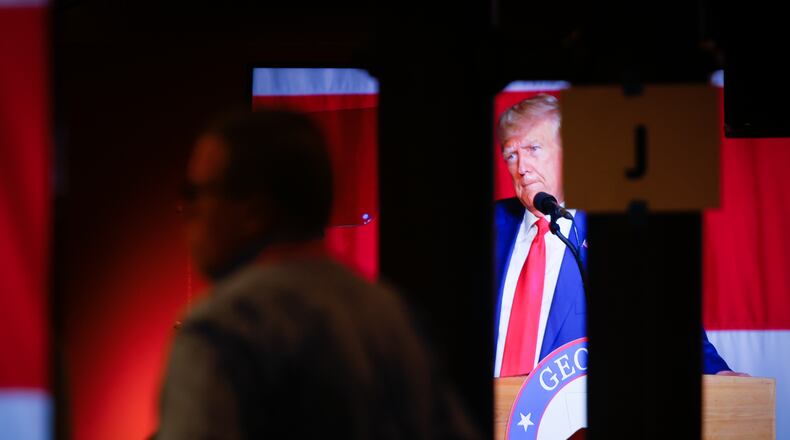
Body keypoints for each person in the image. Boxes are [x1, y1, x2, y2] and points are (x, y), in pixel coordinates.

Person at [156, 109, 476, 439]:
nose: (186, 210)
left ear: (253, 212)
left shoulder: (220, 330)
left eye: (194, 193)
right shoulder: (392, 315)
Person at [493, 94, 737, 377]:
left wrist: (717, 372)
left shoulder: (617, 230)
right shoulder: (489, 226)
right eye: (511, 155)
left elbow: (667, 319)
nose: (521, 167)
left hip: (571, 416)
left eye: (534, 148)